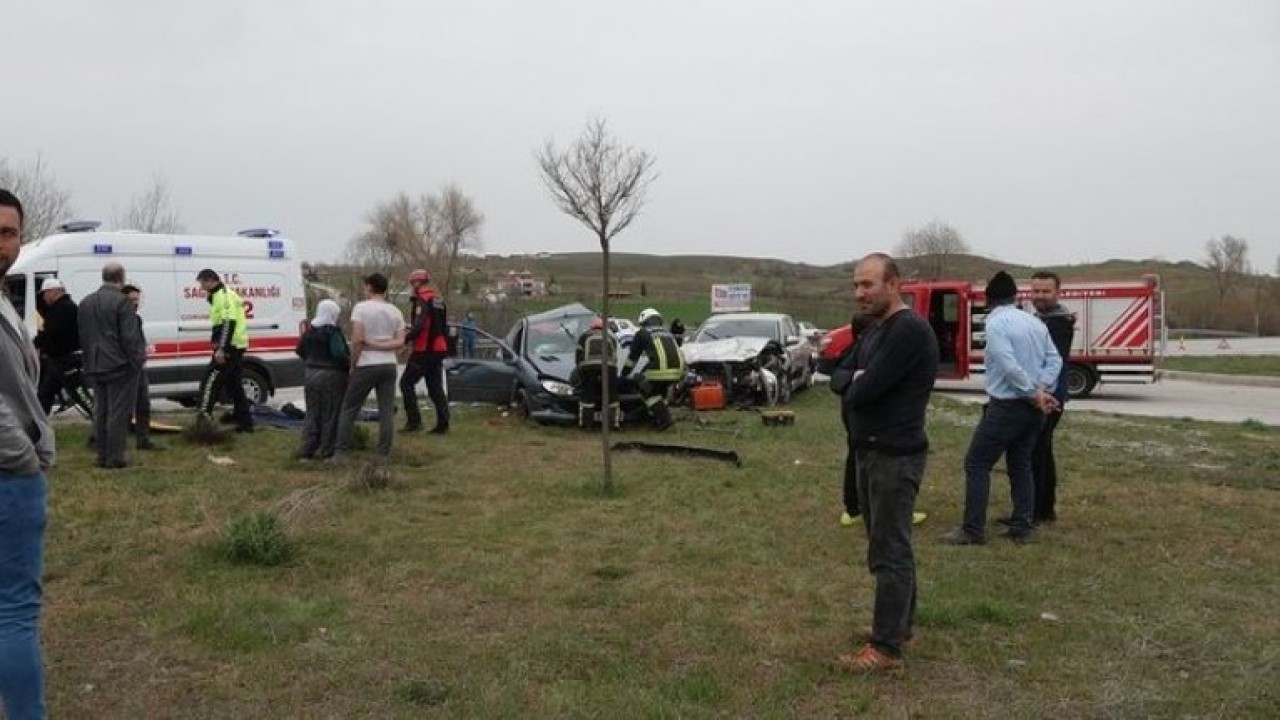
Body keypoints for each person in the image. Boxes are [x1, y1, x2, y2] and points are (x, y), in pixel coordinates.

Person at [829, 253, 939, 674]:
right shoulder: (875, 329)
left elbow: (863, 390)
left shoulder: (908, 330)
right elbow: (838, 375)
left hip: (893, 455)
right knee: (887, 546)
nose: (859, 293)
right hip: (870, 451)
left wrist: (857, 382)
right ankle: (897, 627)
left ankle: (886, 650)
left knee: (890, 551)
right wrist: (853, 379)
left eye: (868, 284)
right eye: (856, 285)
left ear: (894, 285)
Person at [941, 271, 1061, 546]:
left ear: (988, 299)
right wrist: (1041, 388)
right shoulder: (1034, 322)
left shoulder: (995, 324)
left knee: (977, 463)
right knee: (1021, 464)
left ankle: (972, 529)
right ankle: (1022, 525)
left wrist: (1033, 393)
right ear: (1015, 297)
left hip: (1007, 407)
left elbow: (1008, 365)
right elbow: (1054, 360)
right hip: (1033, 410)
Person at [0, 188, 55, 719]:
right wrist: (24, 458)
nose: (1, 243)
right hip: (7, 476)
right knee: (15, 612)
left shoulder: (5, 299)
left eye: (8, 232)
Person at [332, 273, 406, 462]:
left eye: (366, 286)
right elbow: (400, 342)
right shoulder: (395, 311)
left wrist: (353, 364)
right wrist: (382, 346)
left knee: (349, 408)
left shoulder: (361, 308)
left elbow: (358, 340)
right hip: (388, 364)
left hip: (366, 364)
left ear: (370, 287)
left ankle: (341, 452)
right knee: (386, 410)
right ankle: (383, 453)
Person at [79, 262, 146, 469]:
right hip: (119, 364)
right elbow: (130, 337)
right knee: (118, 412)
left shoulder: (86, 302)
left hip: (94, 363)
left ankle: (102, 455)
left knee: (101, 411)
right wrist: (137, 360)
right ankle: (115, 457)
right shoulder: (122, 302)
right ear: (121, 278)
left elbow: (83, 335)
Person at [1028, 271, 1075, 524]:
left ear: (1058, 292)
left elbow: (1052, 362)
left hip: (1049, 396)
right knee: (1042, 451)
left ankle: (1036, 511)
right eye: (1036, 291)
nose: (1040, 296)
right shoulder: (1041, 319)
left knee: (1036, 452)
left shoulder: (1058, 322)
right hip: (1045, 393)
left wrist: (1042, 393)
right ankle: (1044, 509)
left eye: (1046, 291)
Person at [194, 269, 254, 433]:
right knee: (234, 386)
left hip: (230, 347)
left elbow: (228, 323)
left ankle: (203, 421)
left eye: (202, 283)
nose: (201, 287)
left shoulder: (223, 296)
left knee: (209, 381)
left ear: (210, 280)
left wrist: (221, 348)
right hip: (234, 346)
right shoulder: (219, 295)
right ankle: (245, 423)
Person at [294, 299, 350, 460]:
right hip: (331, 375)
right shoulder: (332, 332)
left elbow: (299, 350)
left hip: (310, 374)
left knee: (312, 412)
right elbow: (339, 354)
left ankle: (307, 448)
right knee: (330, 413)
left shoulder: (309, 331)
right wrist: (348, 365)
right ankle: (327, 449)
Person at [400, 268, 450, 434]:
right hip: (439, 348)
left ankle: (414, 422)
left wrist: (404, 339)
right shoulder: (439, 301)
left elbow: (419, 326)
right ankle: (443, 424)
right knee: (435, 387)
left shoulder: (422, 300)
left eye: (412, 283)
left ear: (417, 283)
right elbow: (443, 326)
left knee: (406, 383)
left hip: (424, 349)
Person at [620, 307, 684, 430]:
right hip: (678, 370)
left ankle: (664, 419)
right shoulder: (667, 333)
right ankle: (655, 417)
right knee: (659, 391)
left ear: (644, 322)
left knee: (646, 389)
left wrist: (624, 374)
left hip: (660, 370)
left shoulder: (642, 333)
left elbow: (632, 358)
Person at [33, 278, 82, 415]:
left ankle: (98, 417)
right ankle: (40, 421)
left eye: (44, 293)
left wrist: (37, 343)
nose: (43, 297)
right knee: (45, 393)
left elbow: (50, 332)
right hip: (58, 360)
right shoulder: (62, 307)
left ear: (53, 292)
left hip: (66, 359)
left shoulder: (62, 309)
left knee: (79, 394)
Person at [122, 284, 162, 451]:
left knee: (143, 404)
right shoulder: (119, 319)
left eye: (137, 300)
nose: (135, 303)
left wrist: (143, 352)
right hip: (126, 368)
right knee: (124, 407)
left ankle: (143, 439)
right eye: (131, 300)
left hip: (138, 366)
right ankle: (115, 441)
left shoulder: (136, 319)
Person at [571, 316, 620, 425]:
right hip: (609, 367)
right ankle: (613, 423)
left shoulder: (584, 336)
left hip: (589, 367)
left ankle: (586, 423)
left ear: (592, 326)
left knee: (588, 395)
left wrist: (580, 369)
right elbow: (615, 356)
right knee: (612, 396)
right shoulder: (611, 337)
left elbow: (578, 355)